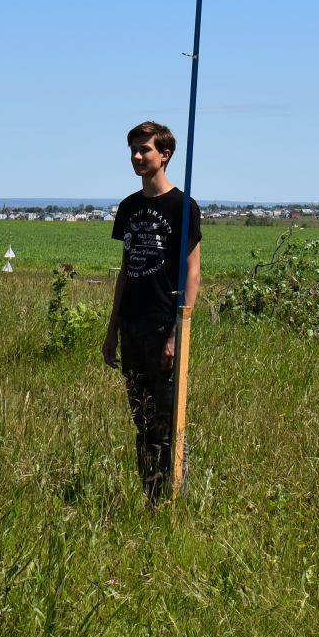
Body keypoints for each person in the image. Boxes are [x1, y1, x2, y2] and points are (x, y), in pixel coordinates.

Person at [101, 121, 201, 503]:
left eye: (145, 150)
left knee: (168, 417)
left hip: (165, 323)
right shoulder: (129, 207)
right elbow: (126, 269)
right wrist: (112, 329)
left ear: (166, 155)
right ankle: (151, 497)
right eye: (133, 150)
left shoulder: (182, 206)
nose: (137, 157)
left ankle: (175, 495)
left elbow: (193, 272)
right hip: (132, 323)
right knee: (141, 418)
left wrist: (178, 331)